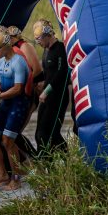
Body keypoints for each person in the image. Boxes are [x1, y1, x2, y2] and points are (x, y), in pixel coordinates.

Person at [0, 32, 28, 190]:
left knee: (7, 141)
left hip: (17, 103)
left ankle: (16, 178)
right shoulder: (2, 61)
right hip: (5, 102)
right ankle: (2, 173)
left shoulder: (18, 62)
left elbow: (18, 89)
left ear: (6, 47)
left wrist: (0, 96)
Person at [33, 21, 69, 155]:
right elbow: (48, 73)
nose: (38, 43)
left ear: (48, 35)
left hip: (58, 97)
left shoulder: (59, 49)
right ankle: (46, 167)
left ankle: (68, 163)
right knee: (39, 135)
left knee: (52, 134)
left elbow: (61, 72)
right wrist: (39, 83)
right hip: (47, 97)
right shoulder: (46, 51)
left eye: (39, 40)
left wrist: (47, 90)